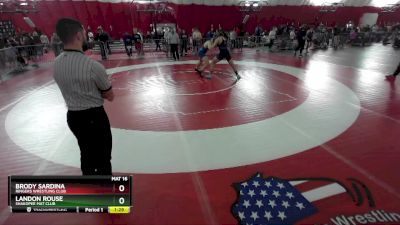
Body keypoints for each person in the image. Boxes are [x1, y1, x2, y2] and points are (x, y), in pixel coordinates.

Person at [53, 18, 114, 175]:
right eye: (84, 32)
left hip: (73, 117)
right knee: (103, 158)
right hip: (94, 117)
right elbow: (110, 95)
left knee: (86, 154)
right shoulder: (93, 66)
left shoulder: (56, 63)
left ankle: (89, 191)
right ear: (79, 35)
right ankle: (105, 193)